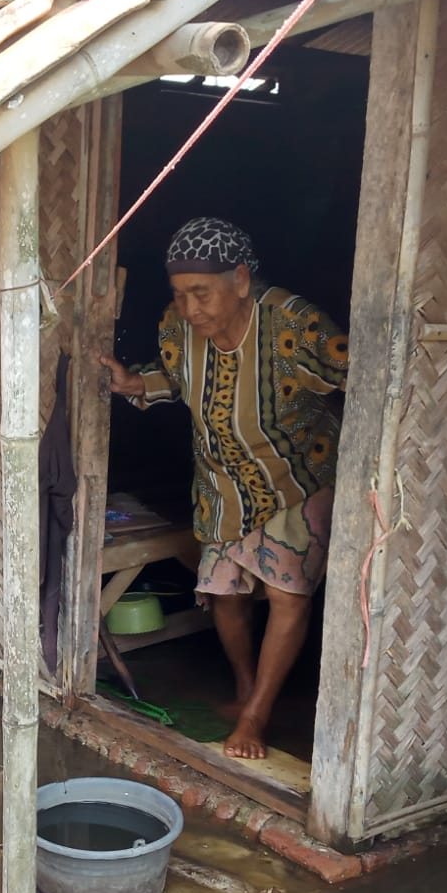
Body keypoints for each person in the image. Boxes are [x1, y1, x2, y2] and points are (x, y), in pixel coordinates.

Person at [100, 217, 349, 760]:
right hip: (222, 485)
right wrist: (134, 384)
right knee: (223, 594)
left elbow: (360, 376)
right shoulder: (177, 328)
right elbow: (179, 381)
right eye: (180, 294)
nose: (190, 309)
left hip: (297, 481)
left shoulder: (293, 322)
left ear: (239, 279)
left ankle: (256, 717)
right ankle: (243, 690)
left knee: (286, 595)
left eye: (201, 293)